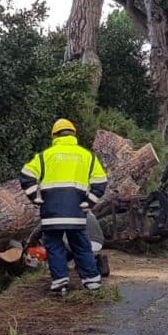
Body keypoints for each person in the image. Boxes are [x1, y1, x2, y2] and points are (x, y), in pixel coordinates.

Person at [19, 118, 108, 294]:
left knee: (54, 246)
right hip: (76, 213)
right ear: (73, 134)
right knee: (81, 246)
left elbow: (26, 175)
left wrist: (34, 198)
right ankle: (92, 282)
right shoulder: (87, 156)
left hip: (51, 214)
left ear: (54, 136)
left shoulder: (45, 156)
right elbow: (101, 181)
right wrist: (89, 202)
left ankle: (60, 282)